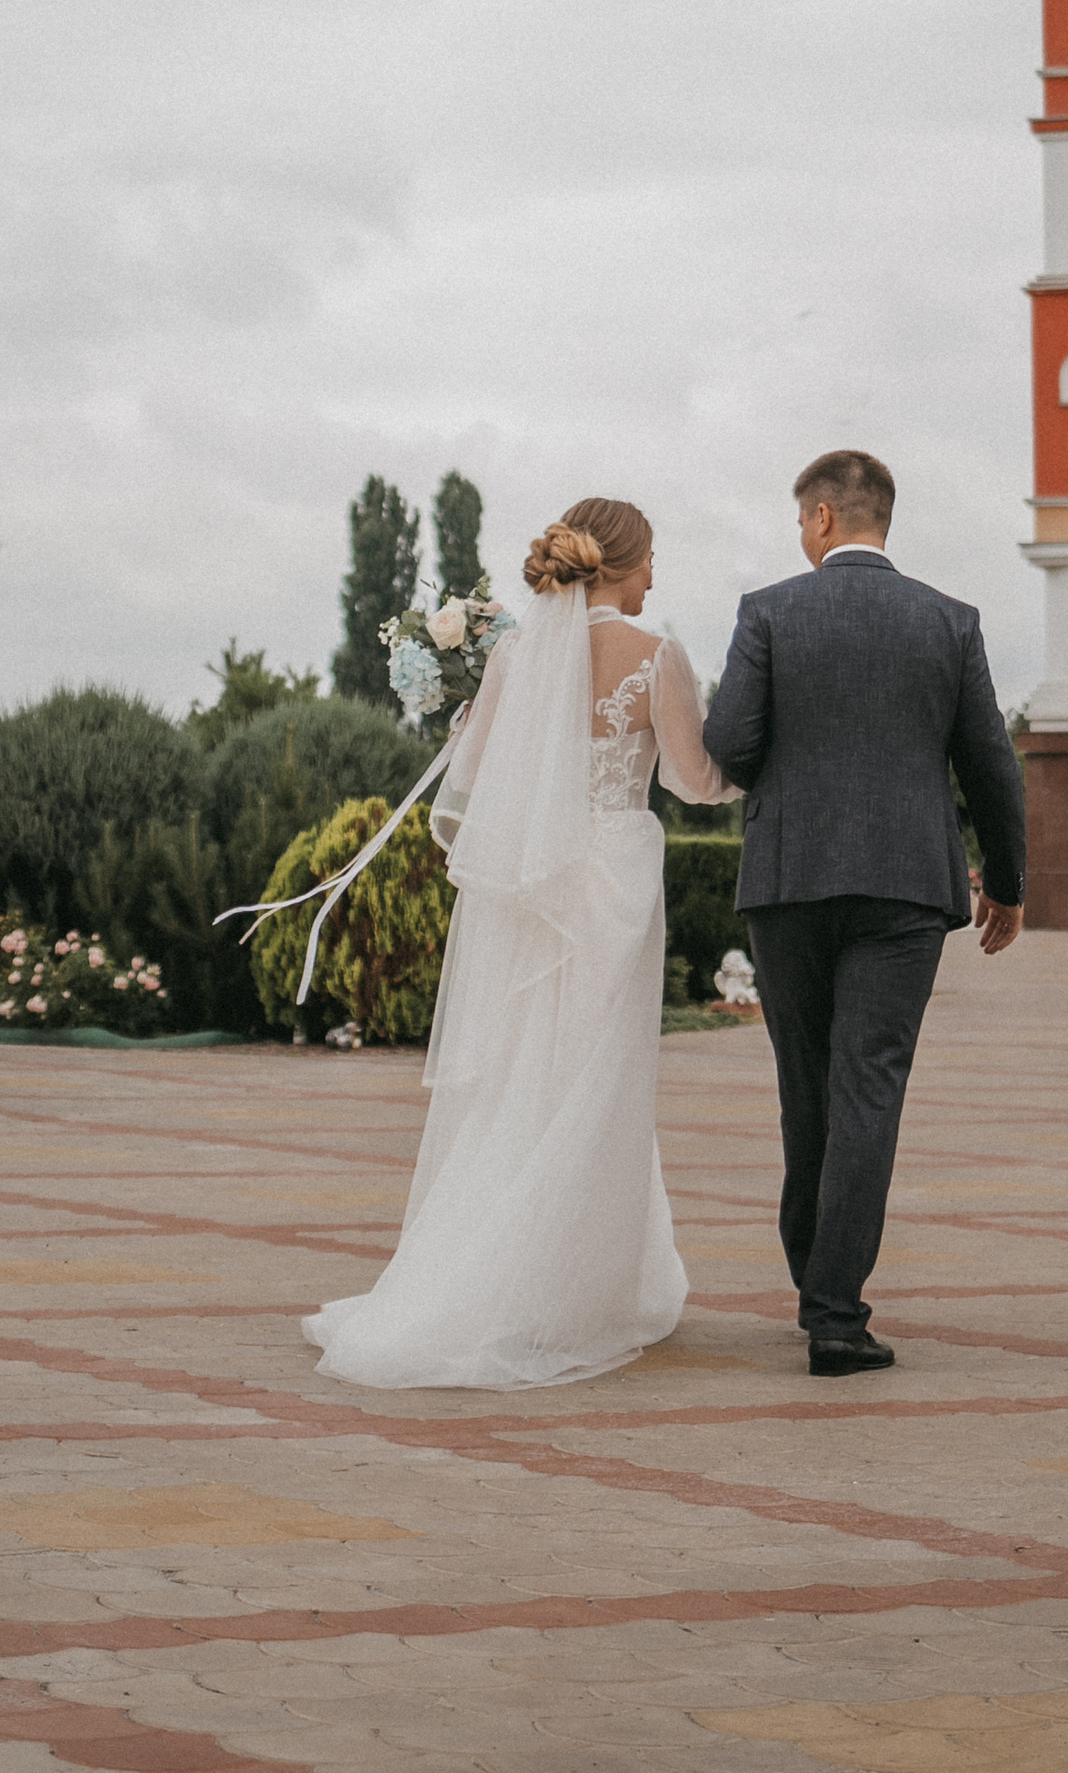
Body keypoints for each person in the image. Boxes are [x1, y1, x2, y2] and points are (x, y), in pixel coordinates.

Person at [304, 496, 741, 1392]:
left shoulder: (512, 655)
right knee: (598, 1077)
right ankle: (568, 1292)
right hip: (612, 885)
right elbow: (697, 782)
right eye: (651, 559)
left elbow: (468, 780)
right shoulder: (657, 656)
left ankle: (487, 1278)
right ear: (623, 563)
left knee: (523, 1076)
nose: (655, 575)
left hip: (532, 886)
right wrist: (757, 759)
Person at [702, 447, 1025, 1378]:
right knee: (869, 1089)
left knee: (804, 1088)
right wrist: (1006, 885)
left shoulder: (767, 612)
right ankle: (835, 1314)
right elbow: (991, 765)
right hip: (905, 890)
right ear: (881, 516)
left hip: (788, 883)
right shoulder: (950, 621)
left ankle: (818, 1283)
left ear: (821, 519)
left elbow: (731, 744)